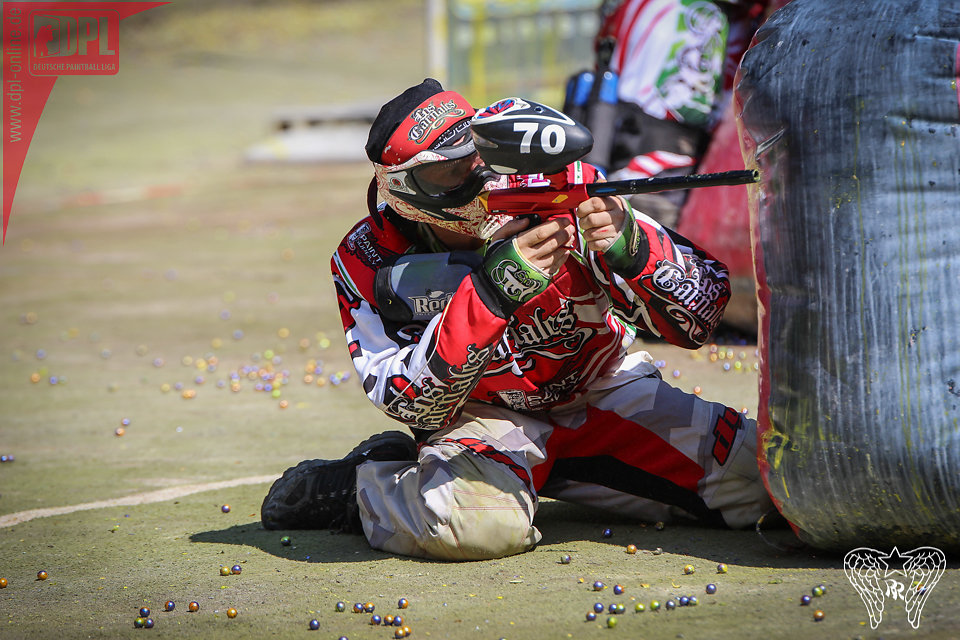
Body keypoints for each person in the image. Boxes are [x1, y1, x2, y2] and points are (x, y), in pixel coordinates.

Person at [260, 78, 772, 560]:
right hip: (482, 422)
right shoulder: (365, 260)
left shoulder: (561, 187)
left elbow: (703, 313)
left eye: (478, 158)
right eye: (447, 174)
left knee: (775, 484)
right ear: (401, 193)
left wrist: (635, 251)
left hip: (604, 393)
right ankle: (361, 488)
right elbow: (406, 398)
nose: (476, 181)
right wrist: (489, 294)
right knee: (476, 526)